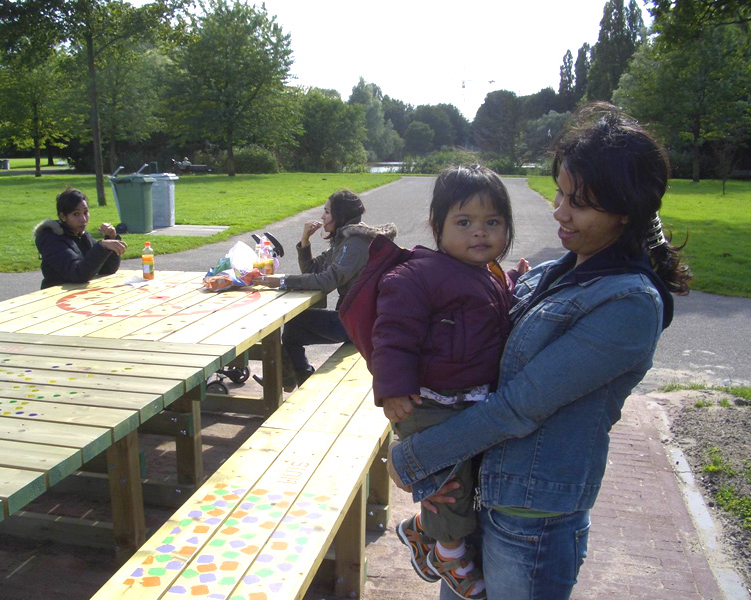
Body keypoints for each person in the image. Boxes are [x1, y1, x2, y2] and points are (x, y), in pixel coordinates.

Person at [387, 102, 691, 600]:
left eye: (579, 203)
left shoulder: (629, 303)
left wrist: (415, 458)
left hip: (532, 519)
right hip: (480, 495)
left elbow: (519, 405)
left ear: (626, 212)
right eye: (561, 193)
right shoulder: (557, 271)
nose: (559, 211)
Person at [346, 165, 524, 599]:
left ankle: (425, 531)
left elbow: (494, 312)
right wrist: (391, 388)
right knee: (450, 484)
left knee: (460, 475)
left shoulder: (490, 274)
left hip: (466, 399)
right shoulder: (419, 275)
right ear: (437, 227)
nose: (479, 233)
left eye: (492, 222)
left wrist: (518, 281)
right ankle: (447, 550)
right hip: (427, 402)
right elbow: (393, 333)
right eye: (464, 222)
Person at [253, 189, 396, 390]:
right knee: (294, 329)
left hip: (362, 323)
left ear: (341, 215)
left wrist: (283, 281)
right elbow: (312, 270)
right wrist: (305, 240)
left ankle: (296, 379)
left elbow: (328, 280)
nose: (322, 217)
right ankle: (295, 378)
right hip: (354, 317)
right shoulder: (345, 239)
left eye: (327, 212)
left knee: (295, 324)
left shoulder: (355, 242)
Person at [34, 187, 127, 289]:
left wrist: (110, 238)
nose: (83, 219)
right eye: (76, 214)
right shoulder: (52, 239)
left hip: (78, 295)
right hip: (52, 298)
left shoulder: (82, 235)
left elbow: (107, 269)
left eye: (86, 212)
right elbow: (78, 274)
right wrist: (102, 246)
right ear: (63, 216)